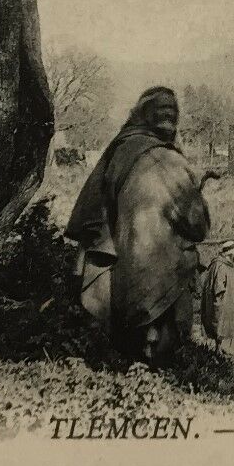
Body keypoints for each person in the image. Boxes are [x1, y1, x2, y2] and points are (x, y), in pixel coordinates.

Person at [65, 86, 211, 363]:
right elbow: (197, 226)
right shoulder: (167, 160)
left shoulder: (118, 150)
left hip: (116, 280)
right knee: (160, 362)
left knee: (123, 359)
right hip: (160, 284)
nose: (170, 115)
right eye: (166, 111)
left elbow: (90, 214)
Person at [200, 241, 234, 350]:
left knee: (222, 324)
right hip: (221, 301)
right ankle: (217, 349)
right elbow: (219, 286)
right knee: (219, 324)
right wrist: (222, 299)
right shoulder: (221, 266)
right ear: (229, 253)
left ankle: (219, 348)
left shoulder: (226, 264)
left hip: (226, 300)